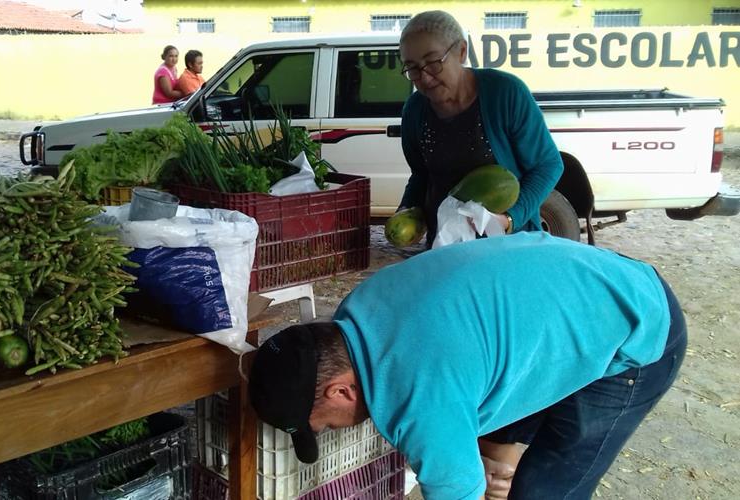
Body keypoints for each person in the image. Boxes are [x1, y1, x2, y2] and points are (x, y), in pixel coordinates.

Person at [250, 232, 686, 499]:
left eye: (323, 425)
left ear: (341, 391)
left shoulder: (418, 406)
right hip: (579, 285)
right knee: (490, 456)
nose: (331, 431)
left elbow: (439, 424)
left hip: (638, 323)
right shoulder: (358, 312)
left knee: (543, 491)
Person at [397, 11, 564, 246]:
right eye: (412, 68)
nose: (424, 78)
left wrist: (509, 218)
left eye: (433, 63)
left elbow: (548, 165)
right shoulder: (414, 111)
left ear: (461, 52)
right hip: (447, 244)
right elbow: (421, 175)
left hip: (507, 243)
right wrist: (406, 211)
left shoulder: (505, 93)